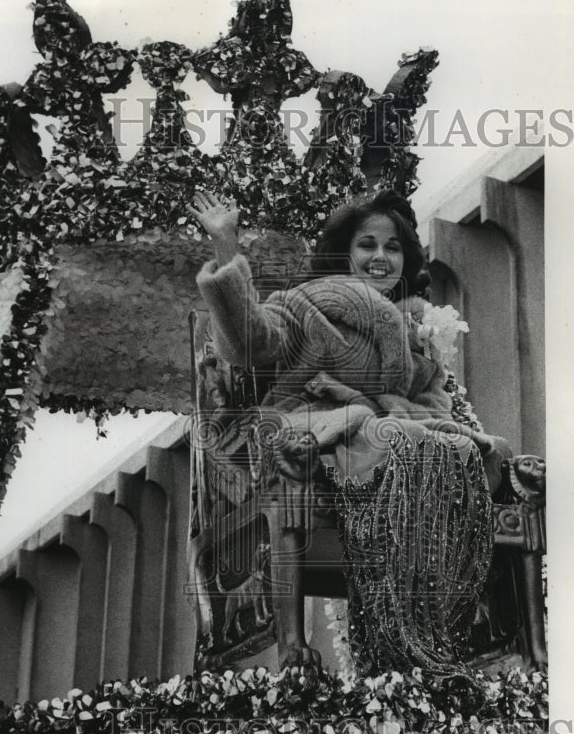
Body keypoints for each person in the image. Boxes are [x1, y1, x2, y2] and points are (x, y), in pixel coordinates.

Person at [188, 189, 511, 683]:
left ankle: (437, 635)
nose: (380, 257)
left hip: (391, 440)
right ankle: (390, 640)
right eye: (367, 245)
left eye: (392, 247)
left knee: (467, 449)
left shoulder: (414, 330)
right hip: (317, 440)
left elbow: (433, 405)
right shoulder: (304, 305)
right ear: (345, 252)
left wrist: (382, 408)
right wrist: (227, 248)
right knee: (405, 441)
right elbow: (249, 341)